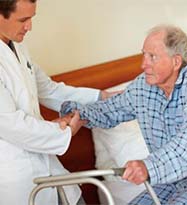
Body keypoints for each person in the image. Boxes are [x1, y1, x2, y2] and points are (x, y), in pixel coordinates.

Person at [60, 25, 187, 205]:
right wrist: (77, 114)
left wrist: (148, 167)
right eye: (143, 55)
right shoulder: (144, 86)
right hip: (169, 181)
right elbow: (111, 109)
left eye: (152, 57)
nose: (143, 65)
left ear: (176, 62)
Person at [0, 0, 119, 204]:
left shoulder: (18, 47)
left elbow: (49, 89)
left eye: (31, 17)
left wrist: (100, 97)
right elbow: (11, 124)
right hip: (18, 178)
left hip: (48, 166)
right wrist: (65, 131)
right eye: (23, 19)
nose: (30, 26)